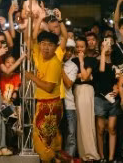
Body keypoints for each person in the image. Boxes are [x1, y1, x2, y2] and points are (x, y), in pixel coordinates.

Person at [25, 30, 63, 162]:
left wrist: (31, 77)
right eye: (43, 44)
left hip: (51, 104)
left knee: (43, 138)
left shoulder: (55, 63)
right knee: (48, 137)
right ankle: (54, 158)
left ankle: (52, 159)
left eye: (50, 45)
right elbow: (28, 39)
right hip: (42, 103)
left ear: (56, 47)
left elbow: (49, 87)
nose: (46, 48)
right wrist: (37, 18)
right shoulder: (41, 55)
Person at [70, 37, 99, 161]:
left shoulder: (91, 60)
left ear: (86, 47)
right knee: (79, 122)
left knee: (87, 121)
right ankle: (82, 153)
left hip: (86, 90)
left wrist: (81, 62)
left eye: (82, 46)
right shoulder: (71, 61)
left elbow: (86, 77)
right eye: (77, 46)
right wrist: (80, 75)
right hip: (75, 90)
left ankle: (90, 153)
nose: (79, 49)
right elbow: (72, 77)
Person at [94, 37, 119, 162]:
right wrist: (103, 53)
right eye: (104, 45)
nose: (107, 47)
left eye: (109, 45)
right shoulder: (96, 61)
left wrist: (117, 88)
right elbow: (102, 70)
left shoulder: (115, 64)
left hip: (113, 99)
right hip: (99, 98)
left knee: (112, 128)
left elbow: (118, 80)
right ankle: (101, 156)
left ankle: (110, 158)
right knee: (100, 129)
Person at [61, 39, 78, 159]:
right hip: (54, 103)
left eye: (71, 51)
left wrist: (59, 67)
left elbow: (68, 84)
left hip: (68, 104)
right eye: (67, 50)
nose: (68, 53)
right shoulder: (51, 61)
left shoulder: (73, 66)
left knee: (70, 133)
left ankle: (69, 158)